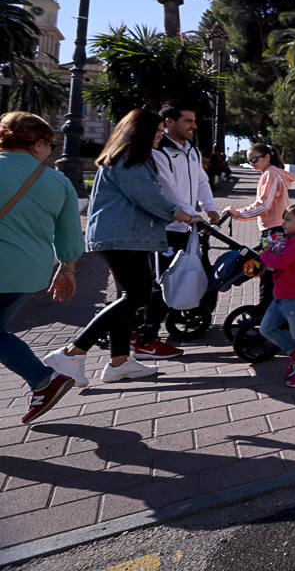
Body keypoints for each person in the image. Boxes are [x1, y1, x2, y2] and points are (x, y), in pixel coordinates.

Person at [43, 109, 198, 386]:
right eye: (157, 132)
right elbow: (149, 198)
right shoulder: (129, 160)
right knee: (136, 296)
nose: (160, 137)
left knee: (129, 297)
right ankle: (72, 351)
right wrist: (184, 214)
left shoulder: (125, 158)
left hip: (125, 236)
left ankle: (119, 361)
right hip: (122, 237)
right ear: (141, 133)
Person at [0, 112, 84, 423]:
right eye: (51, 144)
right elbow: (70, 235)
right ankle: (42, 381)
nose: (51, 151)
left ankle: (43, 379)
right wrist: (68, 269)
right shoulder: (57, 181)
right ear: (37, 144)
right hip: (28, 272)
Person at [134, 103, 221, 358]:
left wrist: (210, 209)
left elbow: (202, 182)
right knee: (164, 281)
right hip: (168, 228)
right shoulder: (158, 152)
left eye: (194, 121)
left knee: (203, 276)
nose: (194, 125)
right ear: (169, 122)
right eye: (188, 120)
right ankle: (146, 336)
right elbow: (168, 189)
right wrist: (191, 216)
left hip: (191, 226)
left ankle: (193, 318)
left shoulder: (193, 151)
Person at [225, 144, 295, 316]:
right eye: (249, 160)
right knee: (270, 272)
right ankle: (269, 310)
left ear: (267, 157)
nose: (251, 163)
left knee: (268, 273)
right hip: (276, 231)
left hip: (274, 232)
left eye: (254, 159)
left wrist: (236, 213)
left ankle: (266, 311)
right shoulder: (274, 173)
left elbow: (264, 205)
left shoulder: (271, 174)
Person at [258, 203, 295, 388]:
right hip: (281, 295)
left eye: (288, 220)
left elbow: (280, 262)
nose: (283, 223)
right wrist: (274, 246)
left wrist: (265, 253)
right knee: (266, 328)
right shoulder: (291, 239)